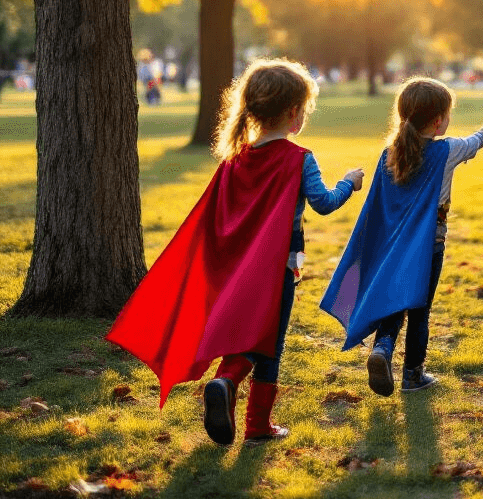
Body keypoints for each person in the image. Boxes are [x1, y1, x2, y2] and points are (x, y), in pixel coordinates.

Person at [107, 58, 364, 445]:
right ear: (293, 113)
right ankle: (252, 418)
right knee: (268, 342)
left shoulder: (236, 157)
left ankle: (225, 383)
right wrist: (349, 183)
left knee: (250, 333)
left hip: (235, 269)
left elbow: (220, 217)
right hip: (279, 269)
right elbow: (324, 203)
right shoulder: (299, 158)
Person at [321, 77, 483, 396]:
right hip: (429, 245)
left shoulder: (390, 153)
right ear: (439, 121)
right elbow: (482, 138)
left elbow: (380, 207)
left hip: (392, 246)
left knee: (395, 300)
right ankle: (413, 375)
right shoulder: (448, 150)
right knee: (419, 309)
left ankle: (383, 348)